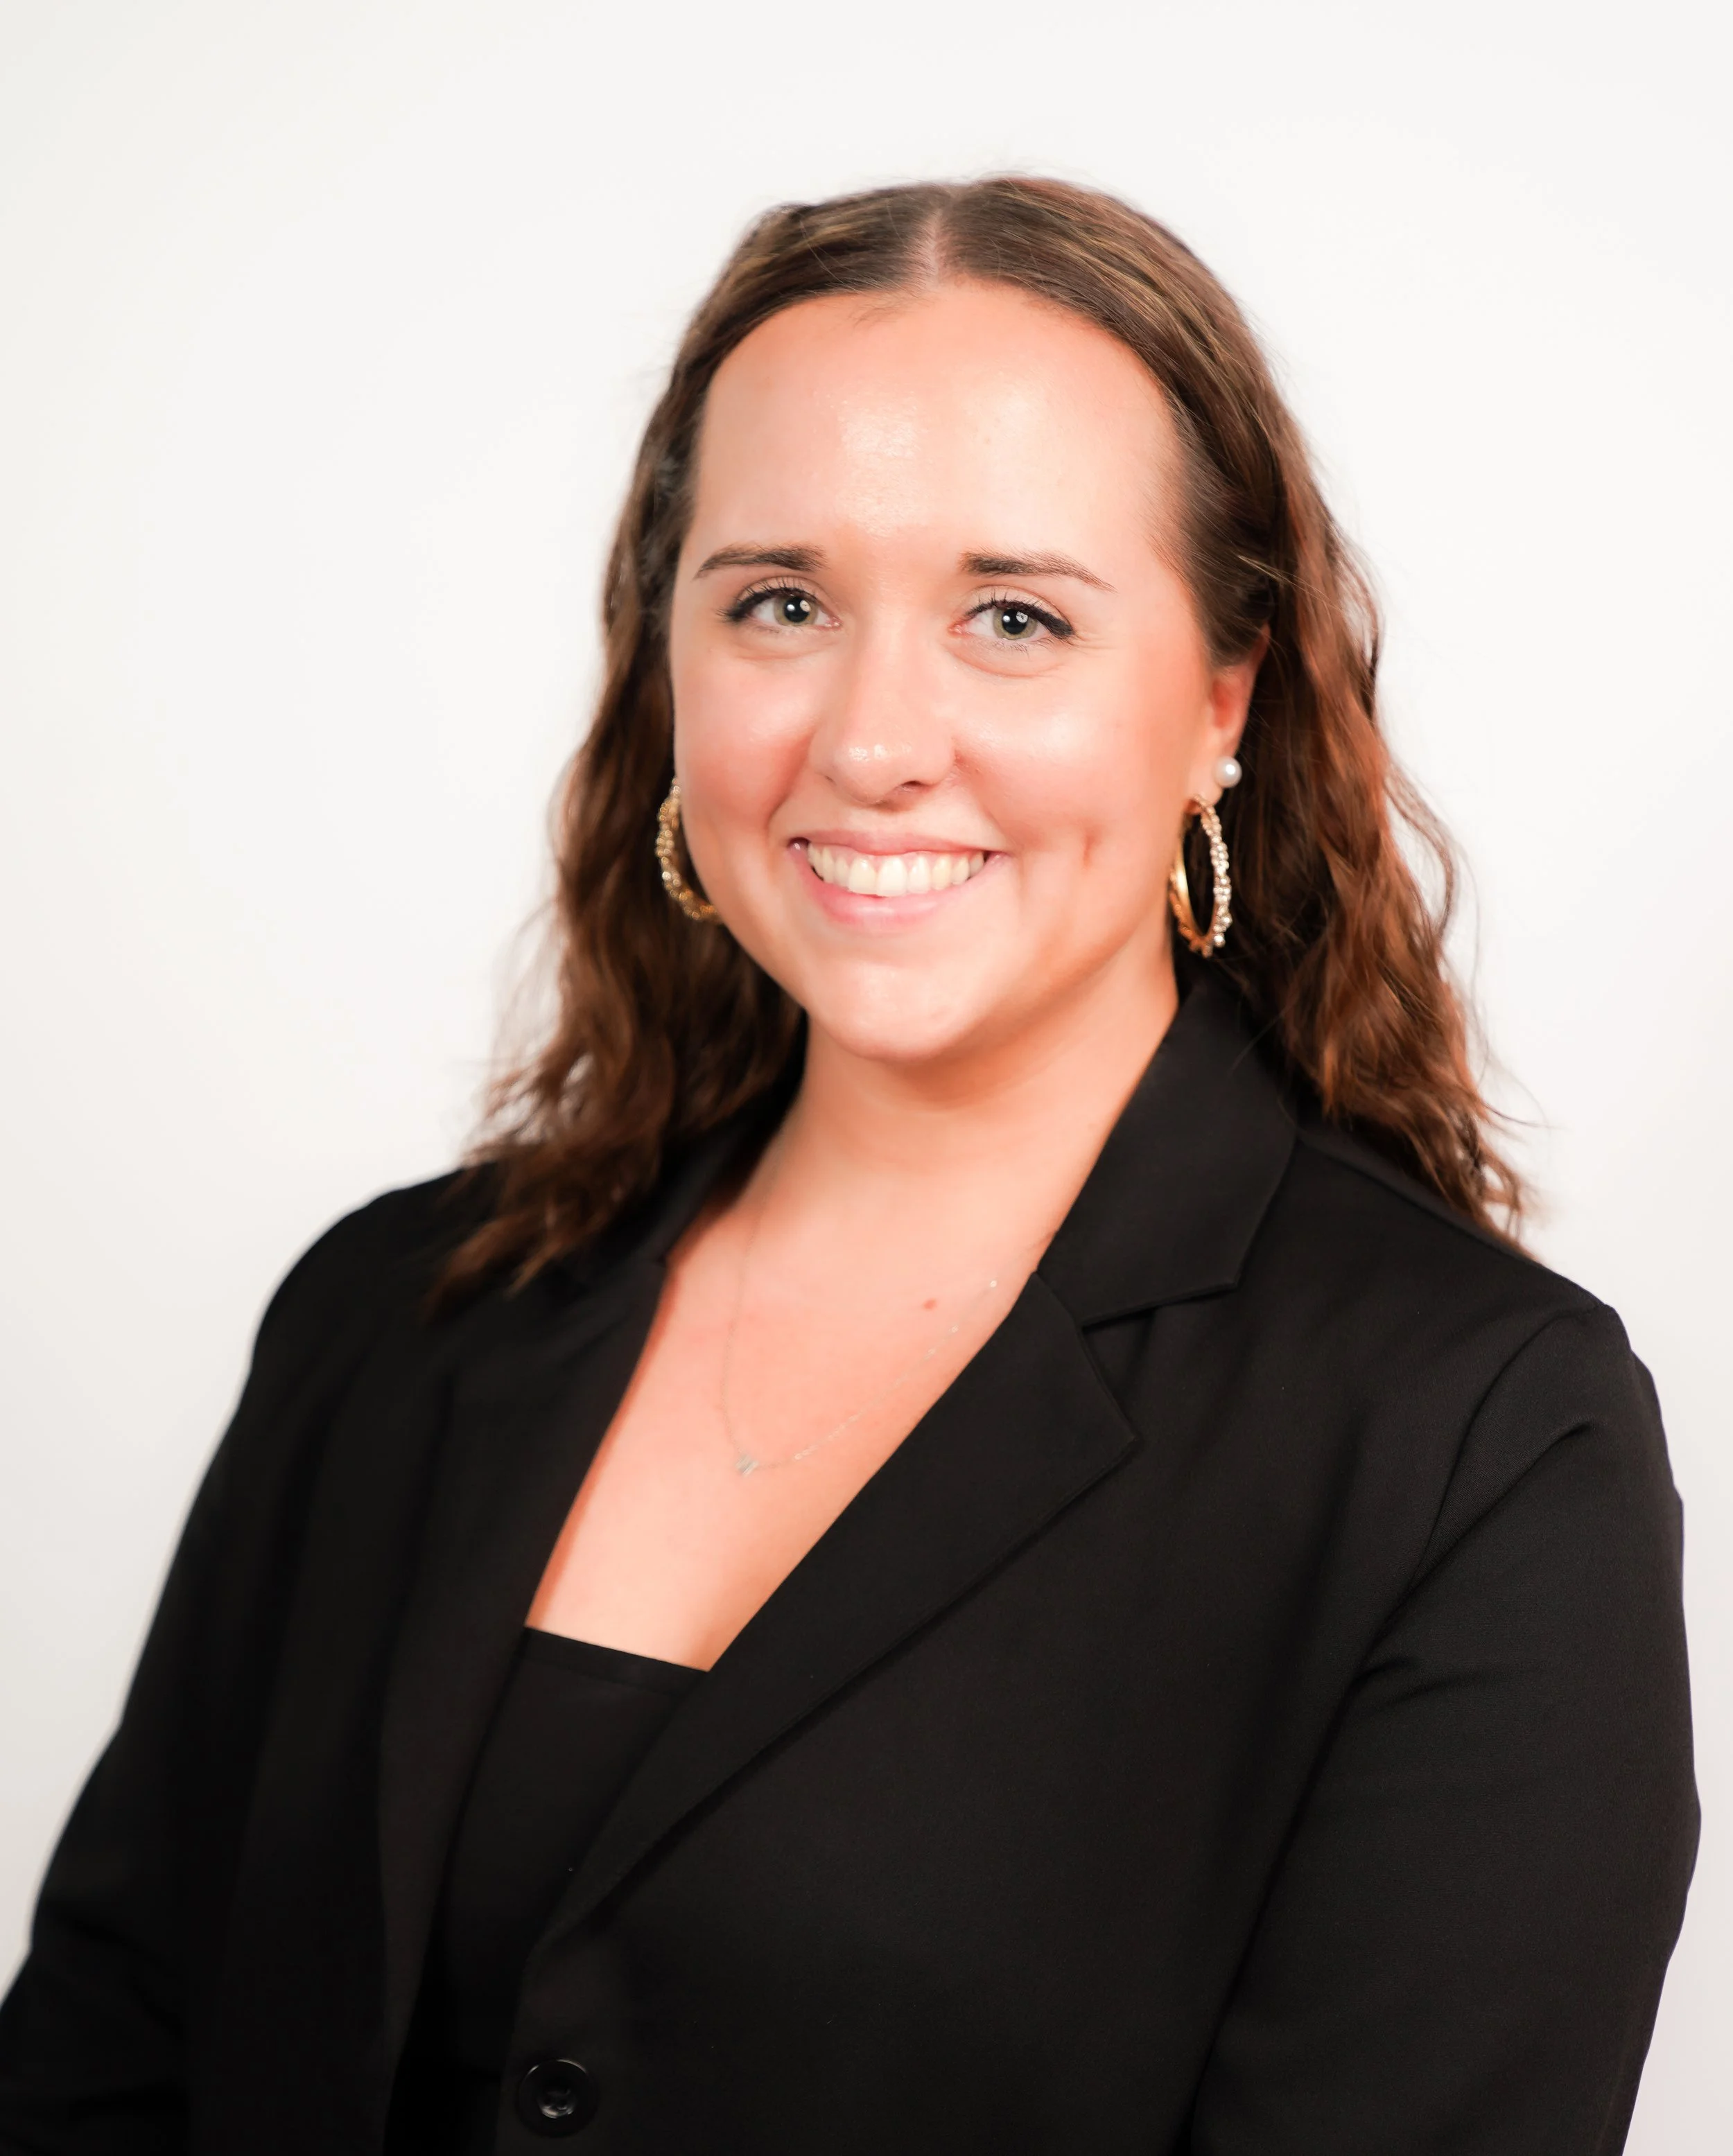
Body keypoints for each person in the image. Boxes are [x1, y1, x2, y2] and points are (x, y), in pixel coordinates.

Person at [0, 177, 1697, 2155]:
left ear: (1221, 699)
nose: (875, 741)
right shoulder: (396, 1311)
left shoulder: (1472, 1438)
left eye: (1013, 616)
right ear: (668, 663)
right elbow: (101, 2066)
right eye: (779, 602)